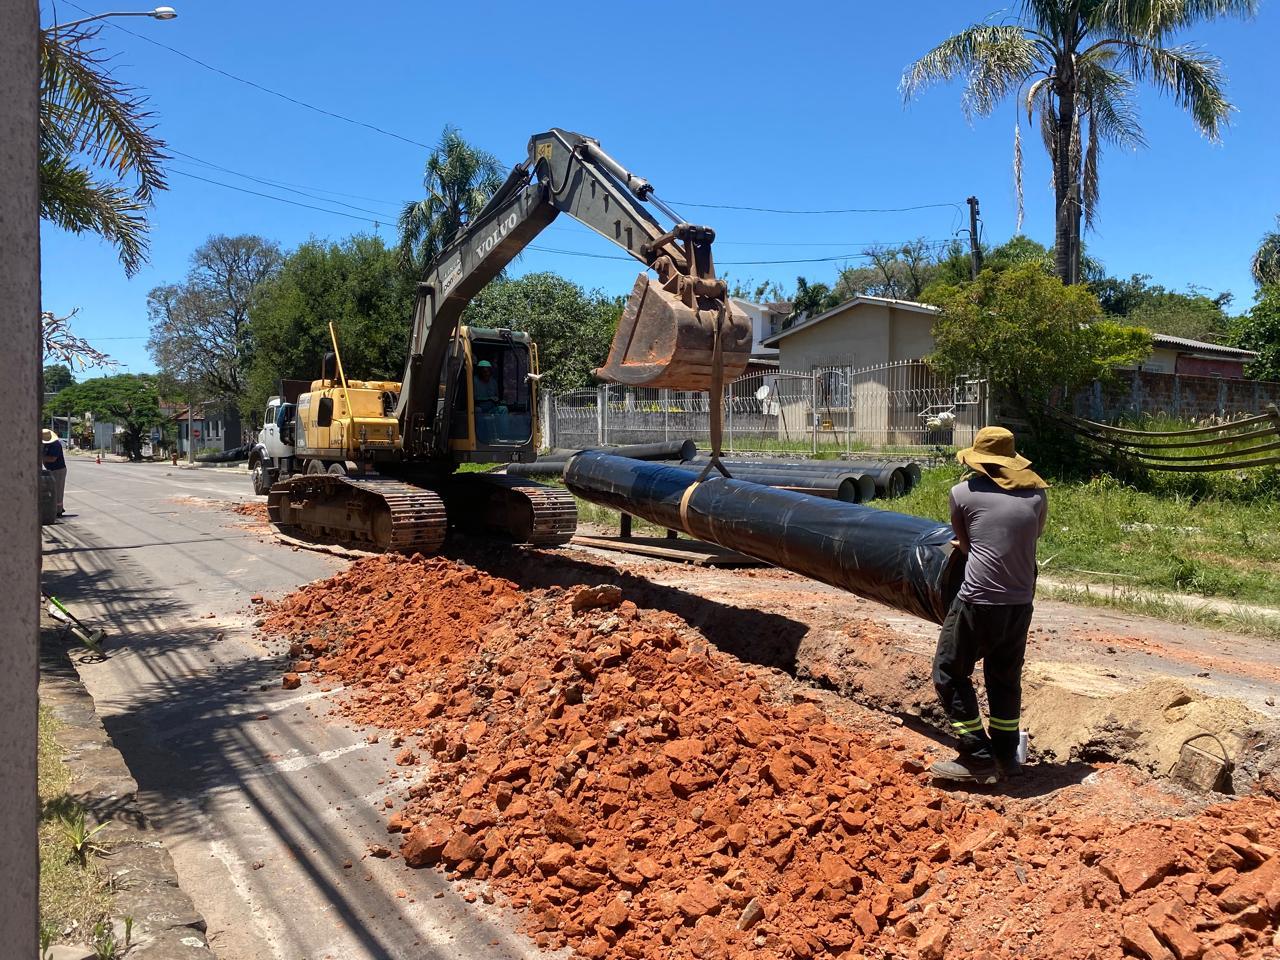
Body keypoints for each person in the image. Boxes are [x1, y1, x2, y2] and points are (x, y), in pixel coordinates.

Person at [930, 426, 1048, 785]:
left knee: (949, 671)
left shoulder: (962, 493)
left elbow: (966, 547)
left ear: (978, 461)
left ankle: (976, 755)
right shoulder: (1038, 496)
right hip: (1020, 602)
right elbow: (1030, 538)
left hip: (978, 600)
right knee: (1004, 677)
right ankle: (1006, 756)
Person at [42, 428, 68, 517]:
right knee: (52, 490)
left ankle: (58, 511)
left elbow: (52, 458)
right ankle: (55, 508)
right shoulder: (45, 445)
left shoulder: (55, 445)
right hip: (50, 470)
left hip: (58, 469)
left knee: (58, 491)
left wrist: (39, 457)